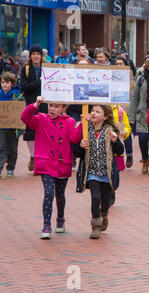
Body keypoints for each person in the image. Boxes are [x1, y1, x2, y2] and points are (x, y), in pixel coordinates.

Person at [21, 96, 83, 239]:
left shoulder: (69, 121)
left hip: (62, 164)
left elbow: (74, 138)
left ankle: (60, 219)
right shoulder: (41, 119)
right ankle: (46, 225)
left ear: (63, 108)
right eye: (50, 105)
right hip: (46, 163)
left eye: (56, 106)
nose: (52, 109)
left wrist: (81, 125)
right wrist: (35, 104)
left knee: (60, 195)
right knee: (49, 193)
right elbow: (25, 118)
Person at [76, 105, 124, 239]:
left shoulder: (110, 131)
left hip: (106, 173)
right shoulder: (86, 129)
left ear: (105, 117)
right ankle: (96, 225)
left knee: (106, 200)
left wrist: (115, 141)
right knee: (95, 197)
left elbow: (120, 151)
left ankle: (104, 214)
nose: (93, 113)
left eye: (98, 111)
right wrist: (81, 146)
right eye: (92, 111)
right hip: (91, 171)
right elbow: (77, 152)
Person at [20, 44, 48, 173]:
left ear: (41, 56)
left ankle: (40, 158)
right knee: (30, 132)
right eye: (33, 54)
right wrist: (39, 81)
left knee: (43, 131)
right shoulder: (25, 69)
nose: (36, 56)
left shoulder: (47, 67)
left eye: (38, 54)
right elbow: (25, 87)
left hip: (45, 104)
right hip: (31, 103)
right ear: (30, 56)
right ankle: (32, 155)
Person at [0, 72, 25, 178]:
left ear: (12, 83)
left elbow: (23, 109)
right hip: (1, 127)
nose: (4, 85)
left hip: (13, 128)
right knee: (0, 147)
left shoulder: (17, 96)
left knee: (12, 149)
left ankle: (10, 168)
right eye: (2, 82)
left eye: (7, 82)